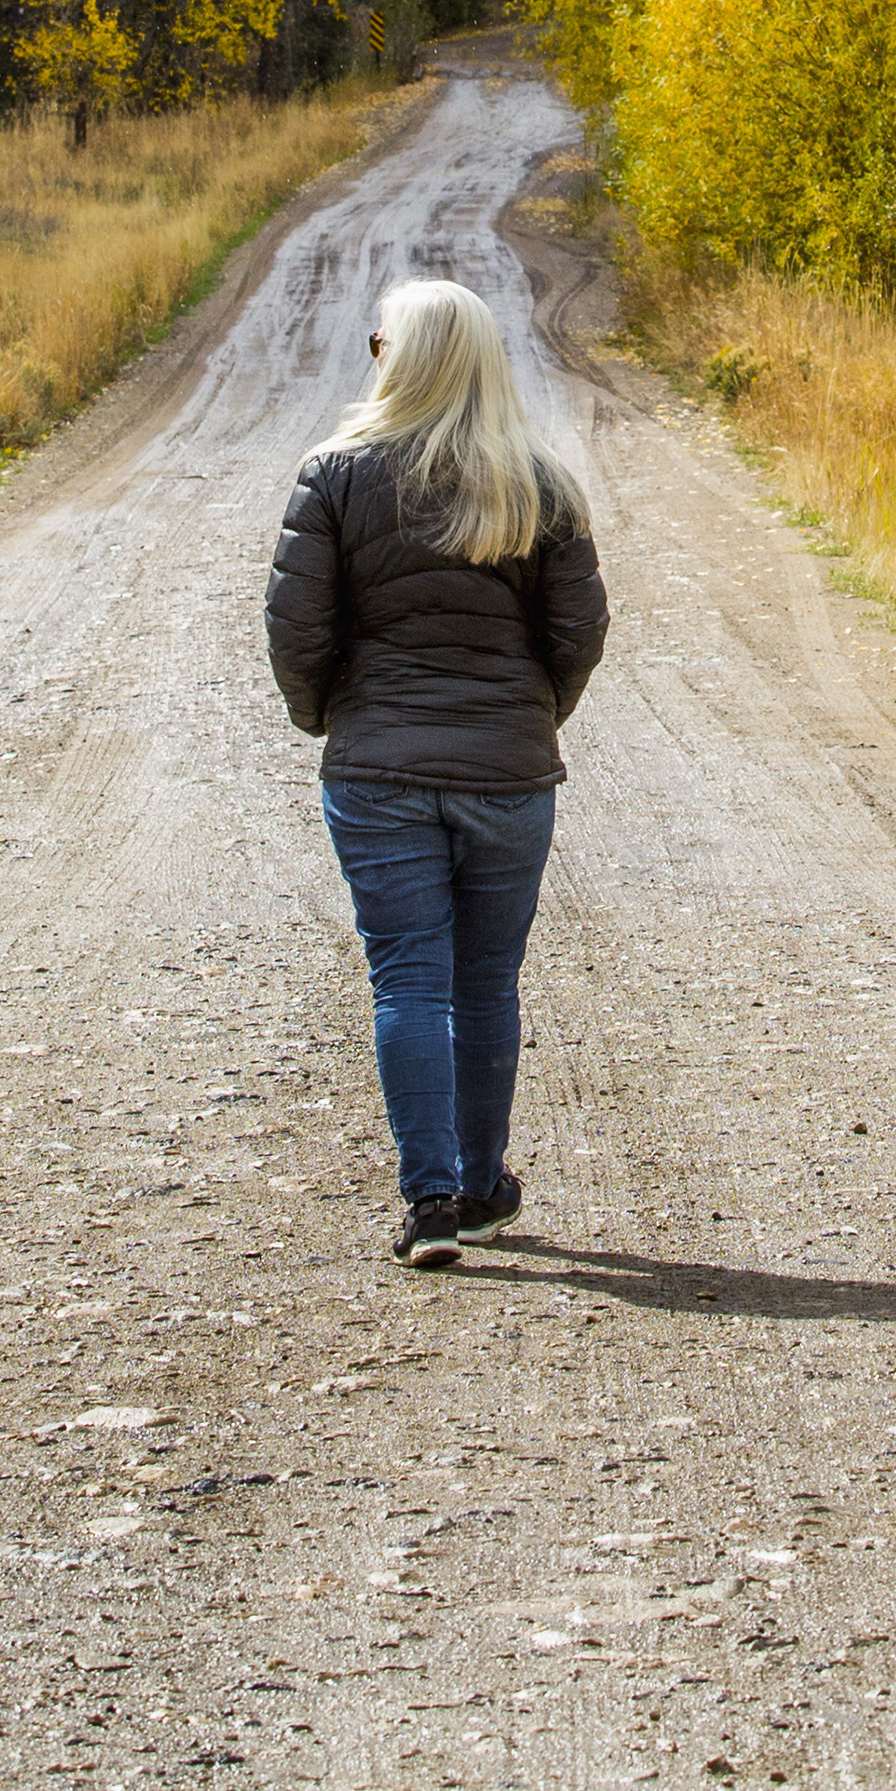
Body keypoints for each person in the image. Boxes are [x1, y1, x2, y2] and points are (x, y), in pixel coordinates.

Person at [263, 274, 610, 1268]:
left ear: (394, 357)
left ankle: (428, 1203)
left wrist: (330, 715)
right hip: (509, 775)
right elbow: (577, 633)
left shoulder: (332, 475)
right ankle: (480, 1179)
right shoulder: (539, 481)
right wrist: (532, 717)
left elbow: (297, 632)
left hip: (376, 771)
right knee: (487, 979)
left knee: (406, 977)